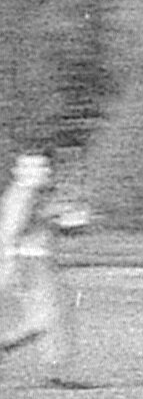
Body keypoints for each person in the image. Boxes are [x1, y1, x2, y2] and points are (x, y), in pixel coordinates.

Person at [2, 153, 77, 383]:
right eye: (42, 168)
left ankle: (51, 370)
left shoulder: (25, 194)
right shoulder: (24, 195)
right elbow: (12, 230)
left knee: (46, 318)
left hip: (32, 261)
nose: (47, 172)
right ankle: (52, 371)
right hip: (32, 261)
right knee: (49, 317)